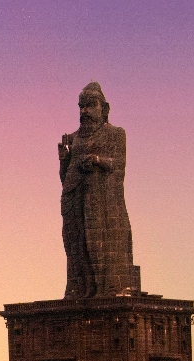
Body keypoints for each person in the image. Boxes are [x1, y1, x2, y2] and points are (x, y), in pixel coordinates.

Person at [59, 82, 140, 298]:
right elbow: (65, 179)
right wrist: (64, 160)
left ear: (104, 108)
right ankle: (81, 290)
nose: (84, 111)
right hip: (76, 204)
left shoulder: (115, 134)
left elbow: (118, 166)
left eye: (90, 105)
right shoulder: (74, 139)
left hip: (104, 204)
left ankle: (109, 289)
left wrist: (96, 161)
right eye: (81, 106)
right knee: (77, 247)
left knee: (100, 246)